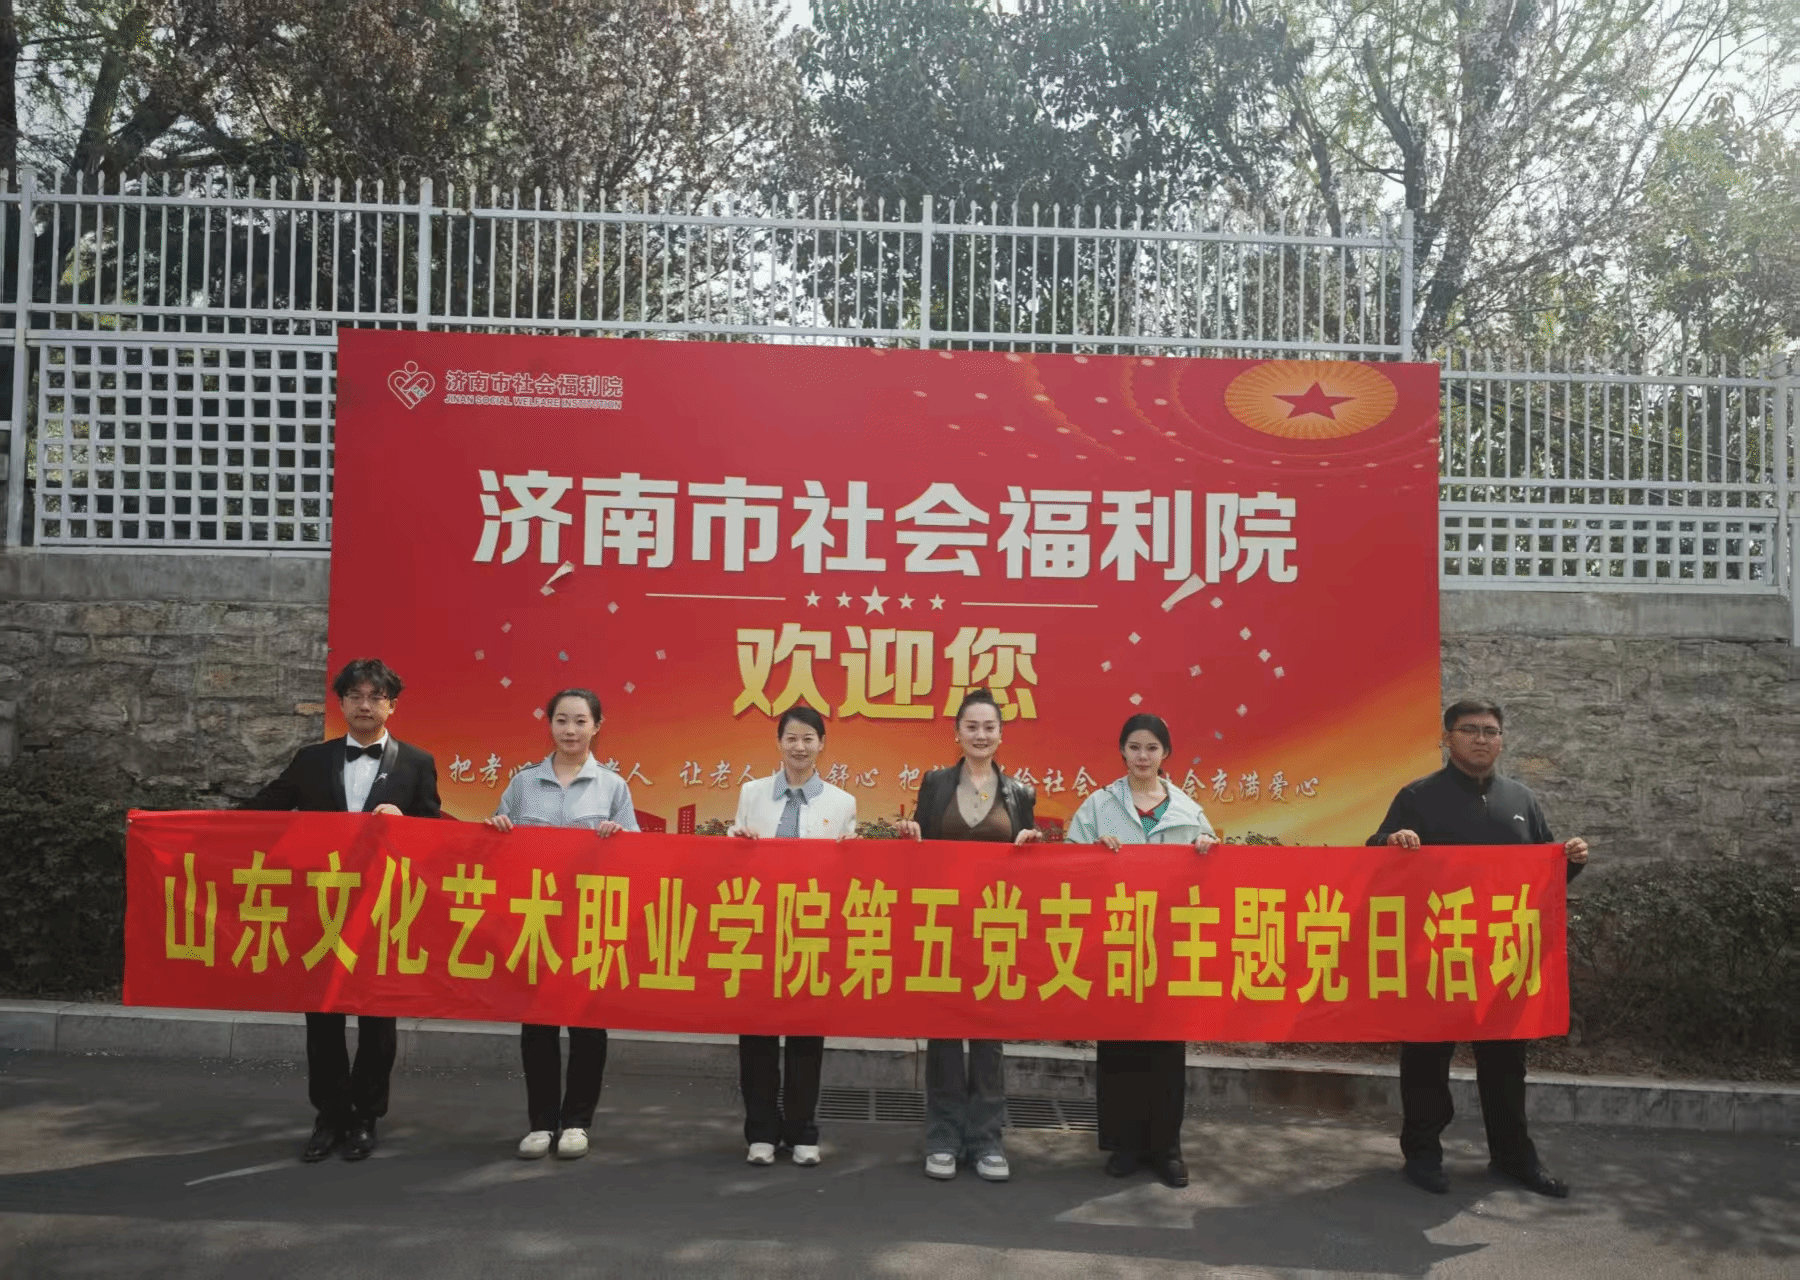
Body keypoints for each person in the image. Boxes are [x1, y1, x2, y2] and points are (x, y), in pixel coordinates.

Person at [1368, 698, 1590, 1199]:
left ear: (1502, 740)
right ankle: (1422, 1154)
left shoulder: (1522, 799)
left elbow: (1543, 880)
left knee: (1507, 1066)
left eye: (1491, 731)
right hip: (1436, 954)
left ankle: (1513, 1157)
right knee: (1426, 1061)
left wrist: (1571, 861)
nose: (1482, 739)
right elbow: (1375, 859)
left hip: (1502, 958)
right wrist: (1393, 841)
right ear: (1447, 738)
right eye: (1469, 730)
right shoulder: (1418, 796)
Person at [242, 658, 443, 1164]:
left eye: (376, 696)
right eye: (355, 695)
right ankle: (329, 1116)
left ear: (391, 706)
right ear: (341, 703)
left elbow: (437, 831)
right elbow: (262, 809)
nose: (365, 704)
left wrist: (406, 821)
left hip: (383, 912)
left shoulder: (417, 763)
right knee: (323, 1019)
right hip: (323, 910)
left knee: (378, 1021)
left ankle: (366, 1117)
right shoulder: (312, 760)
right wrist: (184, 826)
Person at [485, 688, 637, 1161]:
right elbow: (496, 843)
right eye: (562, 720)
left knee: (588, 1026)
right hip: (536, 921)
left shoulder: (613, 786)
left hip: (589, 922)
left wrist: (619, 837)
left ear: (597, 726)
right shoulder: (523, 784)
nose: (570, 730)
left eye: (580, 721)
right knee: (538, 1026)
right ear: (549, 724)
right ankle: (540, 1123)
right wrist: (497, 829)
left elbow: (637, 853)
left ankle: (577, 1123)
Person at [1066, 713, 1215, 1188]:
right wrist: (1093, 849)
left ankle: (1166, 1147)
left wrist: (1208, 845)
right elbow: (1068, 861)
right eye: (1134, 747)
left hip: (1168, 943)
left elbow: (1212, 864)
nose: (1143, 756)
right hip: (1116, 939)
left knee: (1166, 1046)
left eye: (1152, 748)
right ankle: (1123, 1144)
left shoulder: (1187, 809)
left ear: (1165, 753)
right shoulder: (1099, 804)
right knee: (1119, 1043)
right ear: (1122, 751)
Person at [897, 688, 1039, 1183]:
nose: (981, 735)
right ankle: (942, 1136)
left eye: (989, 727)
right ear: (957, 733)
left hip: (996, 929)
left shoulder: (1019, 793)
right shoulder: (936, 783)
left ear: (1001, 734)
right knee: (942, 1036)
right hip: (945, 929)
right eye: (972, 727)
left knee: (988, 1039)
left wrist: (1028, 846)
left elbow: (1029, 868)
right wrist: (914, 838)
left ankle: (987, 1140)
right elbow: (923, 849)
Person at [727, 705, 858, 1168]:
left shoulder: (842, 803)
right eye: (791, 738)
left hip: (811, 933)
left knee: (806, 1036)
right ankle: (761, 1131)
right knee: (757, 1037)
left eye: (808, 739)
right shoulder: (752, 793)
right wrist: (737, 839)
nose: (799, 747)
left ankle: (803, 1130)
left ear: (822, 744)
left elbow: (847, 872)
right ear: (779, 742)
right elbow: (733, 855)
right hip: (758, 930)